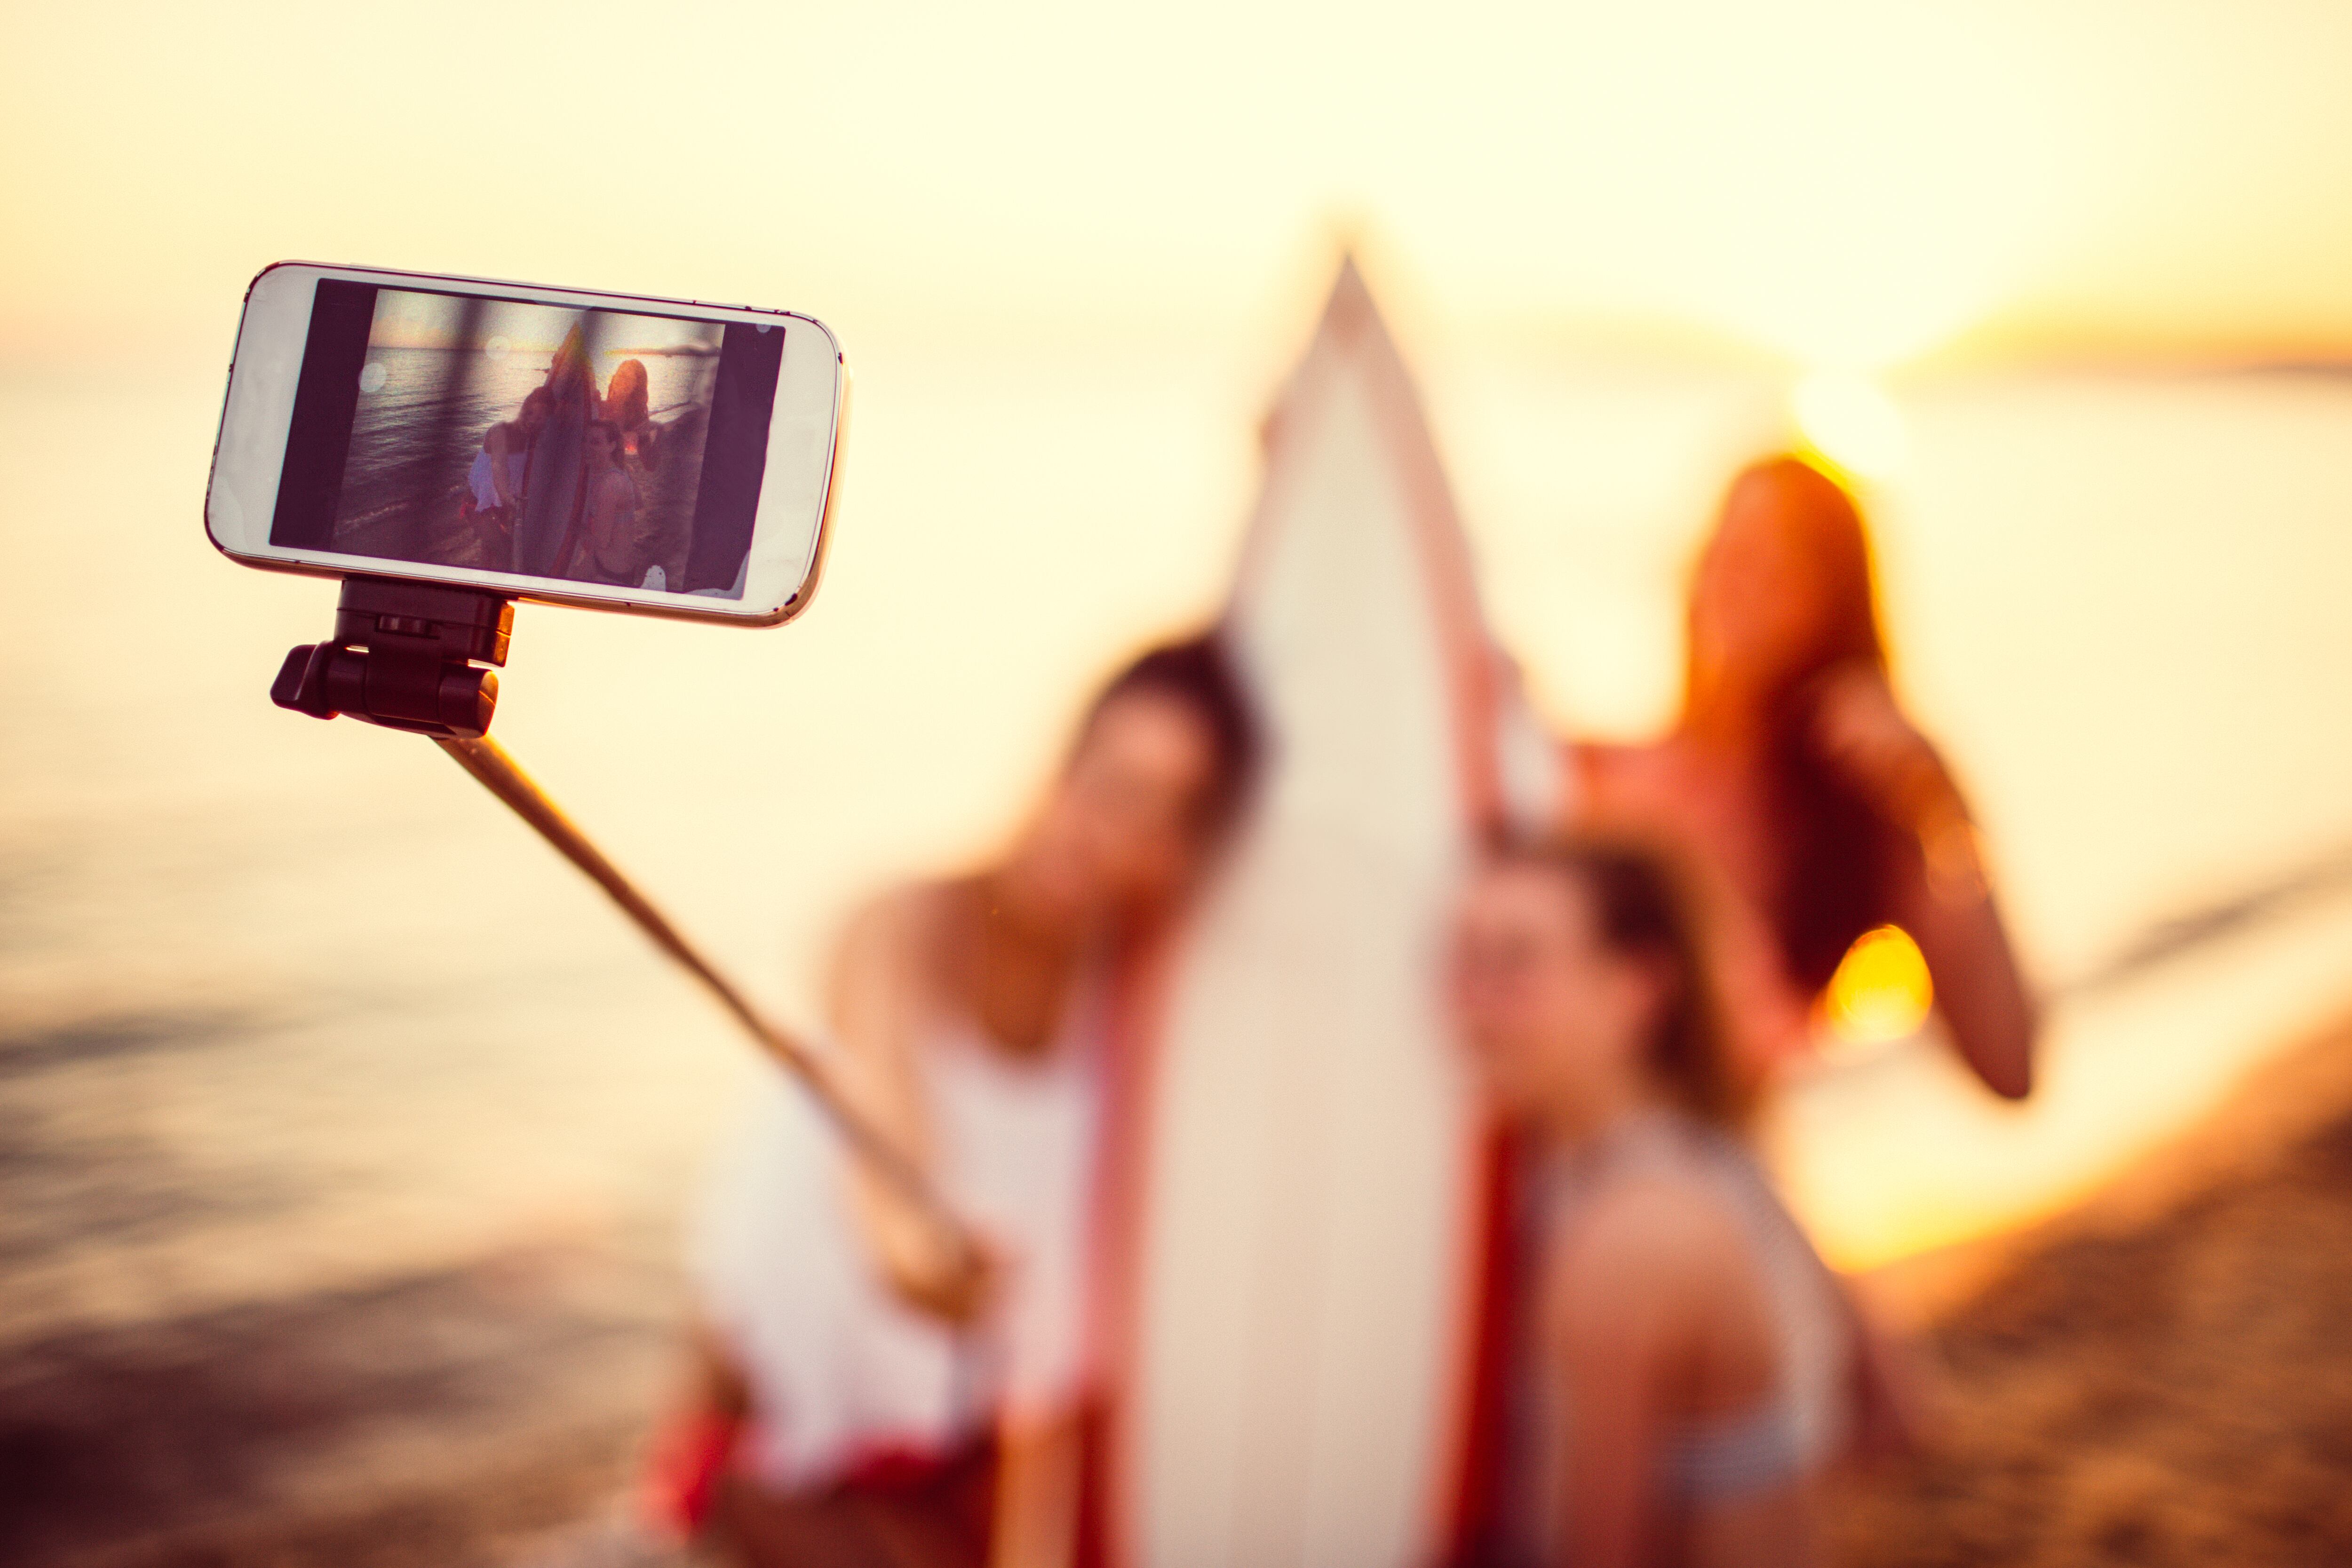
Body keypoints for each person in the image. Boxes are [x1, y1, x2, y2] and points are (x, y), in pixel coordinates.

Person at [653, 636, 1258, 1568]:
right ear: (1064, 760)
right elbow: (892, 1170)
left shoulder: (1133, 1003)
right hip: (777, 1454)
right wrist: (927, 1258)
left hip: (959, 1457)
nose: (1117, 831)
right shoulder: (893, 923)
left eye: (1167, 814)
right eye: (1111, 782)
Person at [1448, 836, 1896, 1568]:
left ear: (1635, 989)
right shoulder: (1721, 1161)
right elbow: (1895, 1416)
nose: (1473, 1001)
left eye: (1515, 960)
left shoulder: (1629, 1239)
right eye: (1466, 960)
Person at [1572, 455, 2035, 1098]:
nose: (1735, 577)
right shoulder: (1595, 770)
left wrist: (1944, 801)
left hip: (1704, 1178)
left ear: (1830, 610)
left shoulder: (1852, 839)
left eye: (1774, 563)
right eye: (1725, 547)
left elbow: (2010, 1068)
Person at [457, 386, 550, 568]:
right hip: (478, 505)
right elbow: (499, 466)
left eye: (539, 418)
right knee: (505, 553)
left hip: (500, 506)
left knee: (490, 551)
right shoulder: (500, 431)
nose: (532, 420)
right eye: (529, 413)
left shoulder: (532, 439)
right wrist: (509, 498)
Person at [560, 417, 652, 585]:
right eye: (585, 441)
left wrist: (573, 527)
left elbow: (601, 541)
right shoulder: (620, 470)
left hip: (610, 572)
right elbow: (639, 504)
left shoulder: (608, 485)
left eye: (595, 443)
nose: (587, 447)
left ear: (612, 446)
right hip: (612, 563)